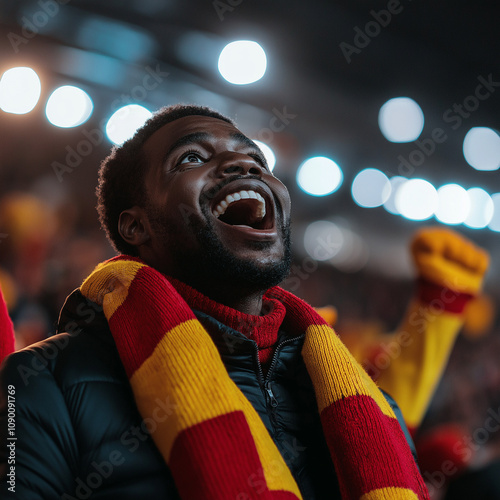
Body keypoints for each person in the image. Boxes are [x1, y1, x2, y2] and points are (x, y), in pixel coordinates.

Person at [0, 105, 429, 500]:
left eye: (258, 161)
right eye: (190, 158)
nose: (243, 165)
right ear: (136, 227)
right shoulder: (41, 382)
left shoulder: (372, 404)